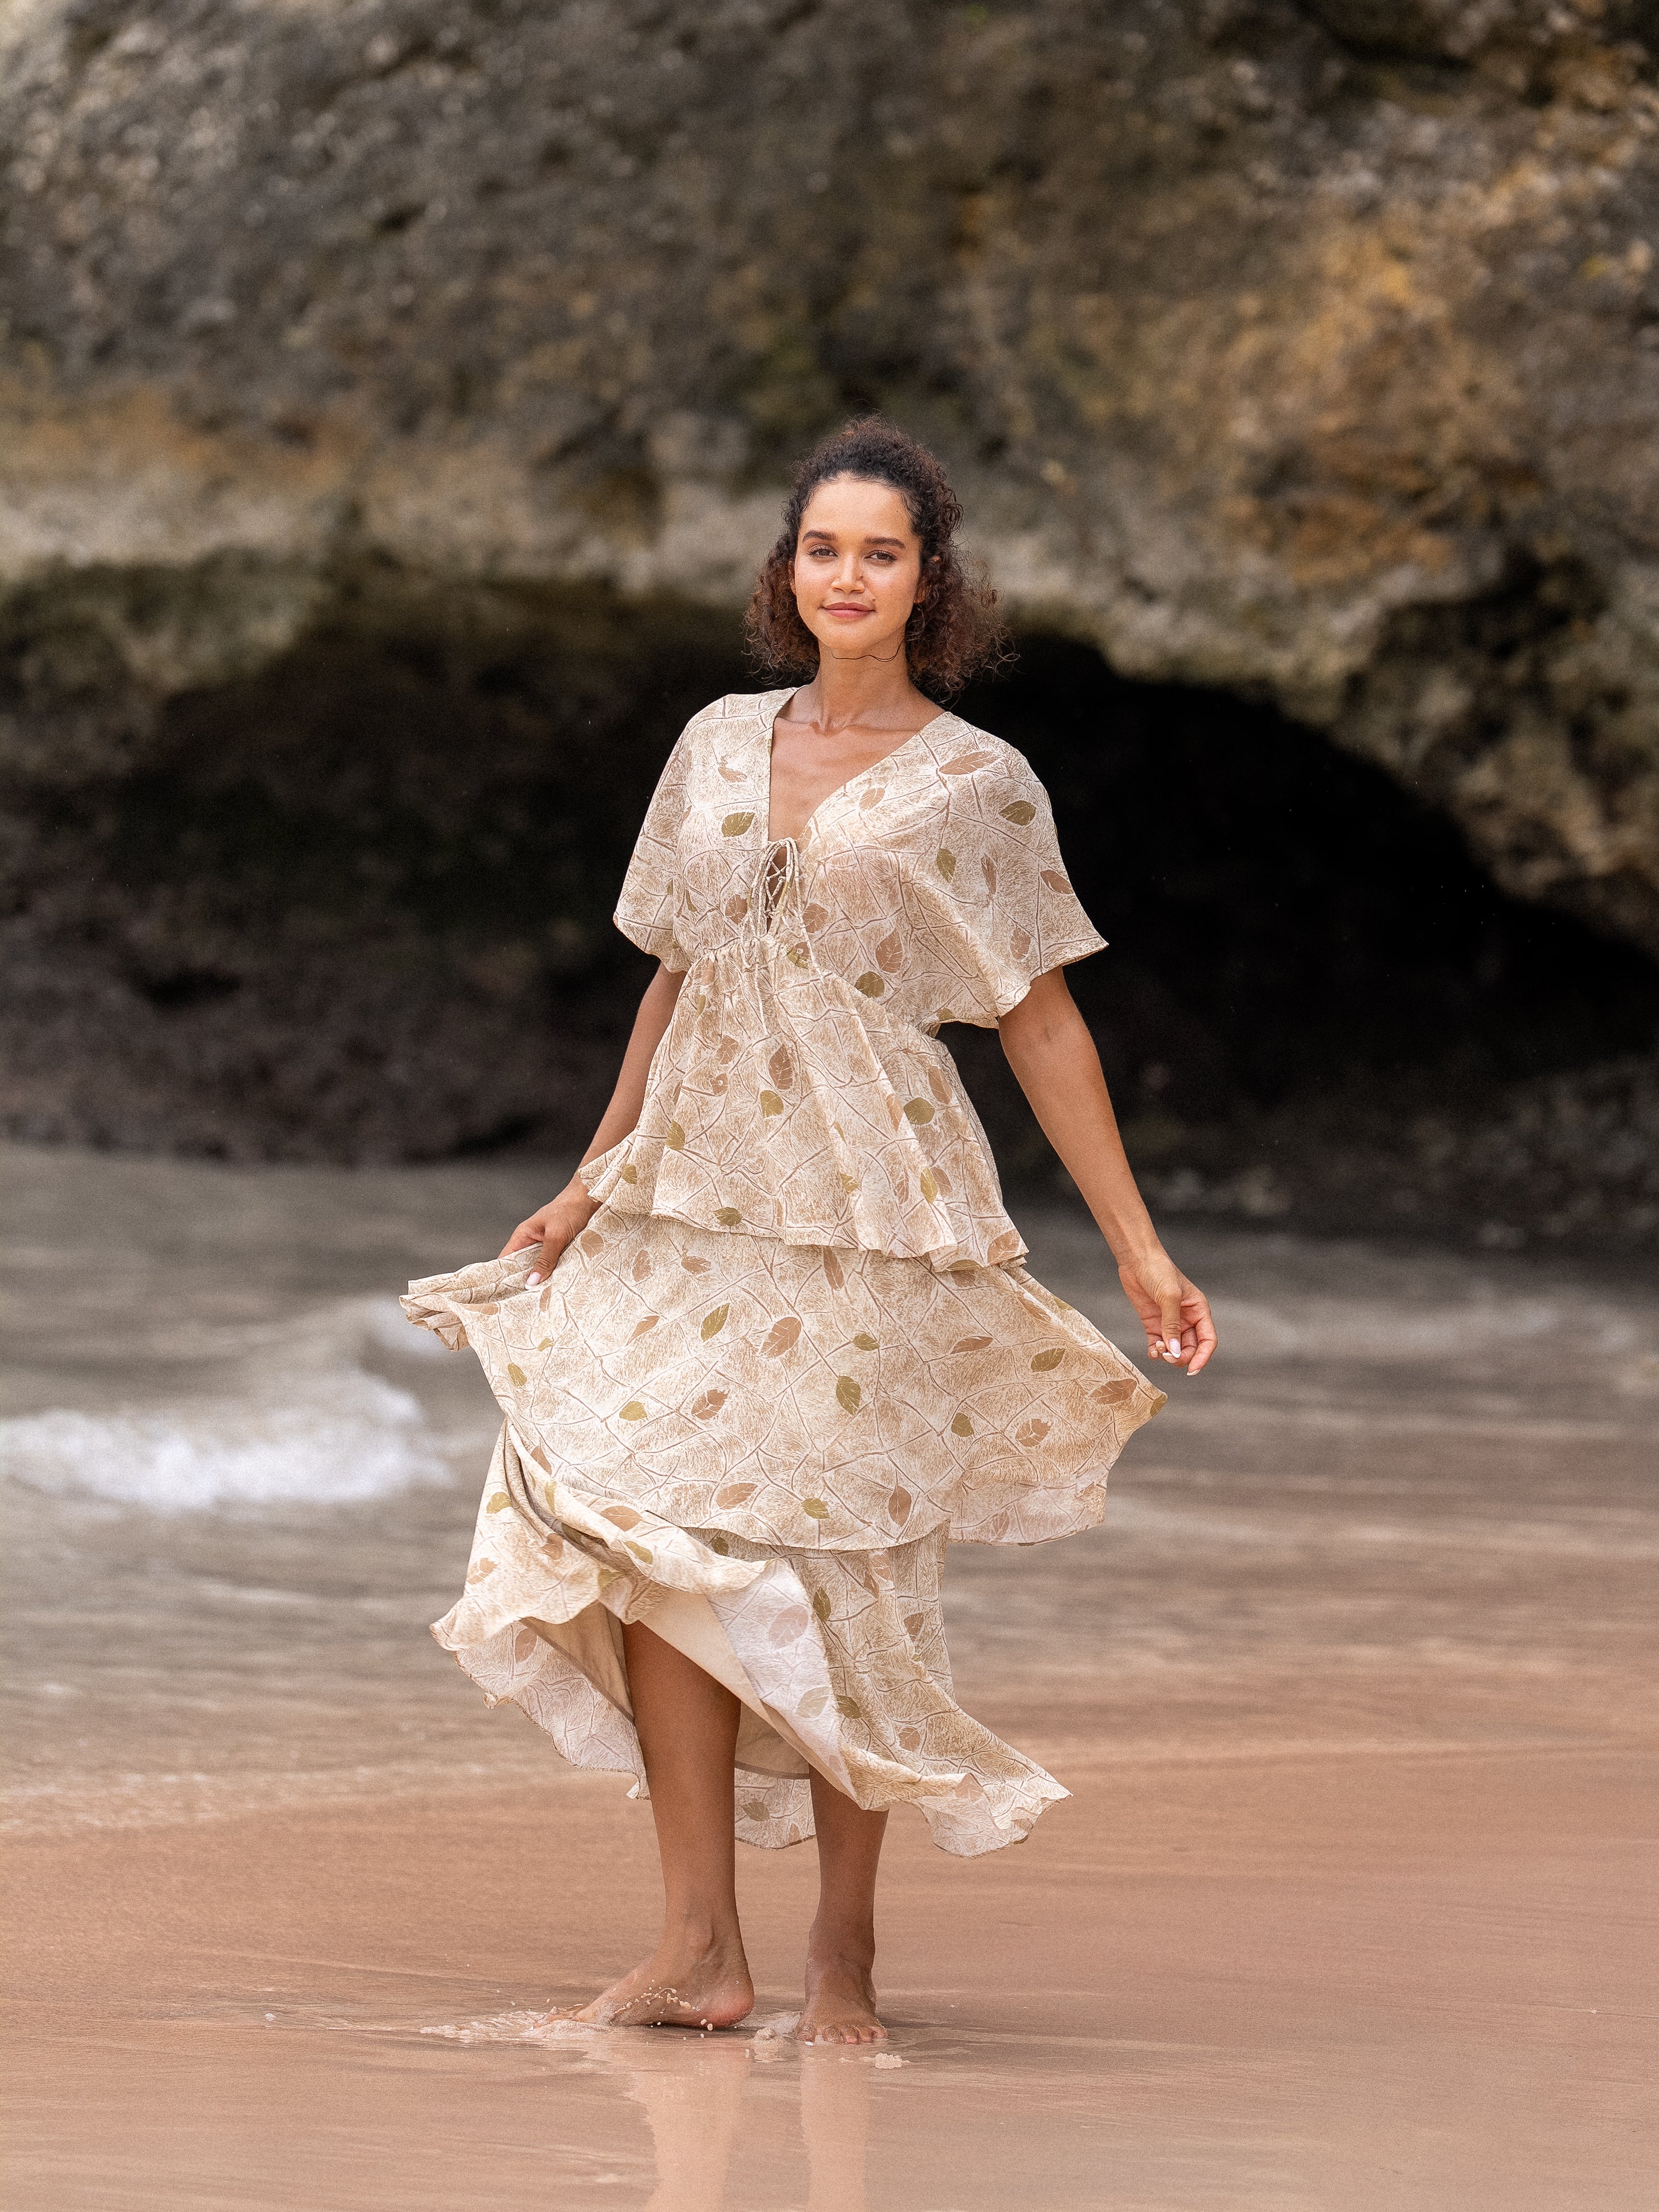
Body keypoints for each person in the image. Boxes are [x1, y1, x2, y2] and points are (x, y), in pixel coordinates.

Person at [402, 418, 1217, 2047]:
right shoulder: (713, 741)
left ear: (932, 582)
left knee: (848, 1571)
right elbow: (681, 972)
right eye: (823, 549)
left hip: (873, 1214)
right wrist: (587, 1175)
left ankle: (844, 1953)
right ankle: (701, 1944)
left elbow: (1038, 1017)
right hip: (689, 1195)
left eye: (883, 552)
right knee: (642, 1534)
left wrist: (1137, 1246)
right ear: (789, 571)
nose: (849, 576)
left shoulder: (979, 784)